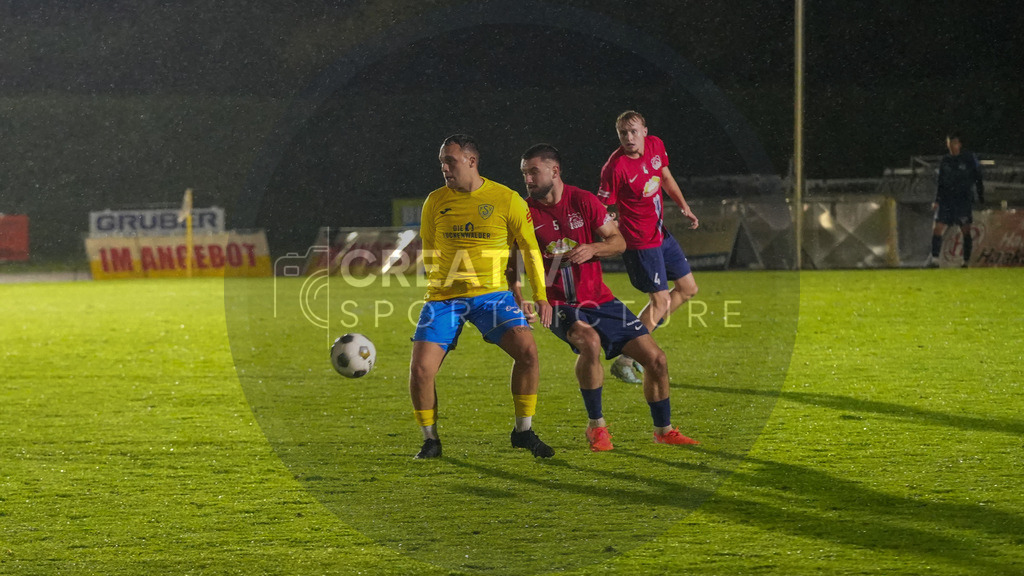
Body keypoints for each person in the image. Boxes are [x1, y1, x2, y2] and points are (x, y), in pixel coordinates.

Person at [508, 143, 699, 451]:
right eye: (524, 173)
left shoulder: (583, 201)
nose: (527, 179)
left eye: (533, 172)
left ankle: (663, 430)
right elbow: (512, 263)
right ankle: (596, 427)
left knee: (657, 360)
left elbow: (618, 241)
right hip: (559, 303)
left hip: (600, 300)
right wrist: (519, 296)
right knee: (590, 341)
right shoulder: (523, 212)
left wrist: (593, 248)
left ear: (554, 171)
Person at [410, 134, 555, 459]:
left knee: (528, 353)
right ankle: (430, 440)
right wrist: (440, 286)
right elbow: (429, 247)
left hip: (492, 297)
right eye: (442, 162)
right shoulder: (435, 201)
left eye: (450, 161)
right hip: (443, 299)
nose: (444, 168)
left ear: (472, 161)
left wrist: (540, 296)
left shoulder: (506, 199)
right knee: (421, 370)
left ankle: (523, 431)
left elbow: (530, 249)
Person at [597, 110, 699, 384]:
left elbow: (665, 178)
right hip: (639, 242)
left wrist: (684, 207)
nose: (628, 138)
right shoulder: (614, 167)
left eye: (633, 131)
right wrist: (608, 225)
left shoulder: (655, 145)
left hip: (660, 233)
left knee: (688, 289)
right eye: (623, 133)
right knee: (661, 301)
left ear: (644, 131)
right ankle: (626, 358)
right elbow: (600, 207)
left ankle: (636, 348)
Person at [927, 131, 984, 268]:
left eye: (954, 143)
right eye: (949, 143)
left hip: (962, 200)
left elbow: (978, 177)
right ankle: (935, 260)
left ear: (959, 144)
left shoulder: (968, 158)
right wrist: (937, 200)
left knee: (965, 230)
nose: (952, 146)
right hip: (946, 200)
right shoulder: (945, 161)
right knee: (937, 228)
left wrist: (980, 195)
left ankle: (965, 261)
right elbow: (940, 182)